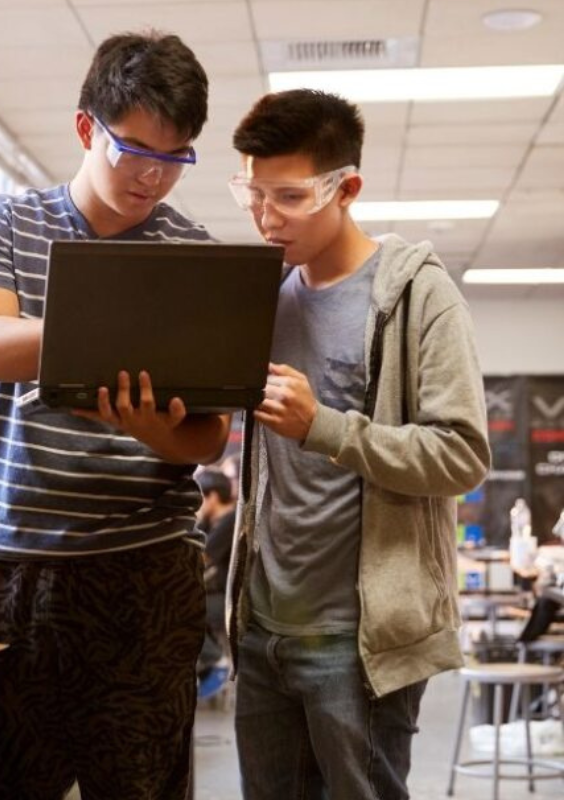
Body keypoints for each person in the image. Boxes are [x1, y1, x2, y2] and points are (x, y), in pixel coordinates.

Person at [0, 31, 228, 800]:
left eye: (175, 159)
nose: (151, 178)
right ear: (84, 128)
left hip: (143, 568)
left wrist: (142, 423)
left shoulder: (191, 256)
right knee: (1, 785)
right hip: (8, 564)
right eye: (134, 151)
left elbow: (206, 435)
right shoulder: (6, 222)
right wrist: (114, 336)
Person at [225, 88, 491, 798]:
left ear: (347, 188)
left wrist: (327, 427)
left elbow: (463, 452)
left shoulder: (417, 296)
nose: (264, 216)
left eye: (287, 196)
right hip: (261, 628)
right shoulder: (262, 295)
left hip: (360, 641)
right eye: (251, 194)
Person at [195, 468, 235, 684]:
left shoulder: (231, 520)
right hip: (215, 592)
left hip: (230, 599)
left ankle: (217, 661)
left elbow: (201, 557)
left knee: (185, 611)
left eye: (201, 498)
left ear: (213, 497)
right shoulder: (212, 522)